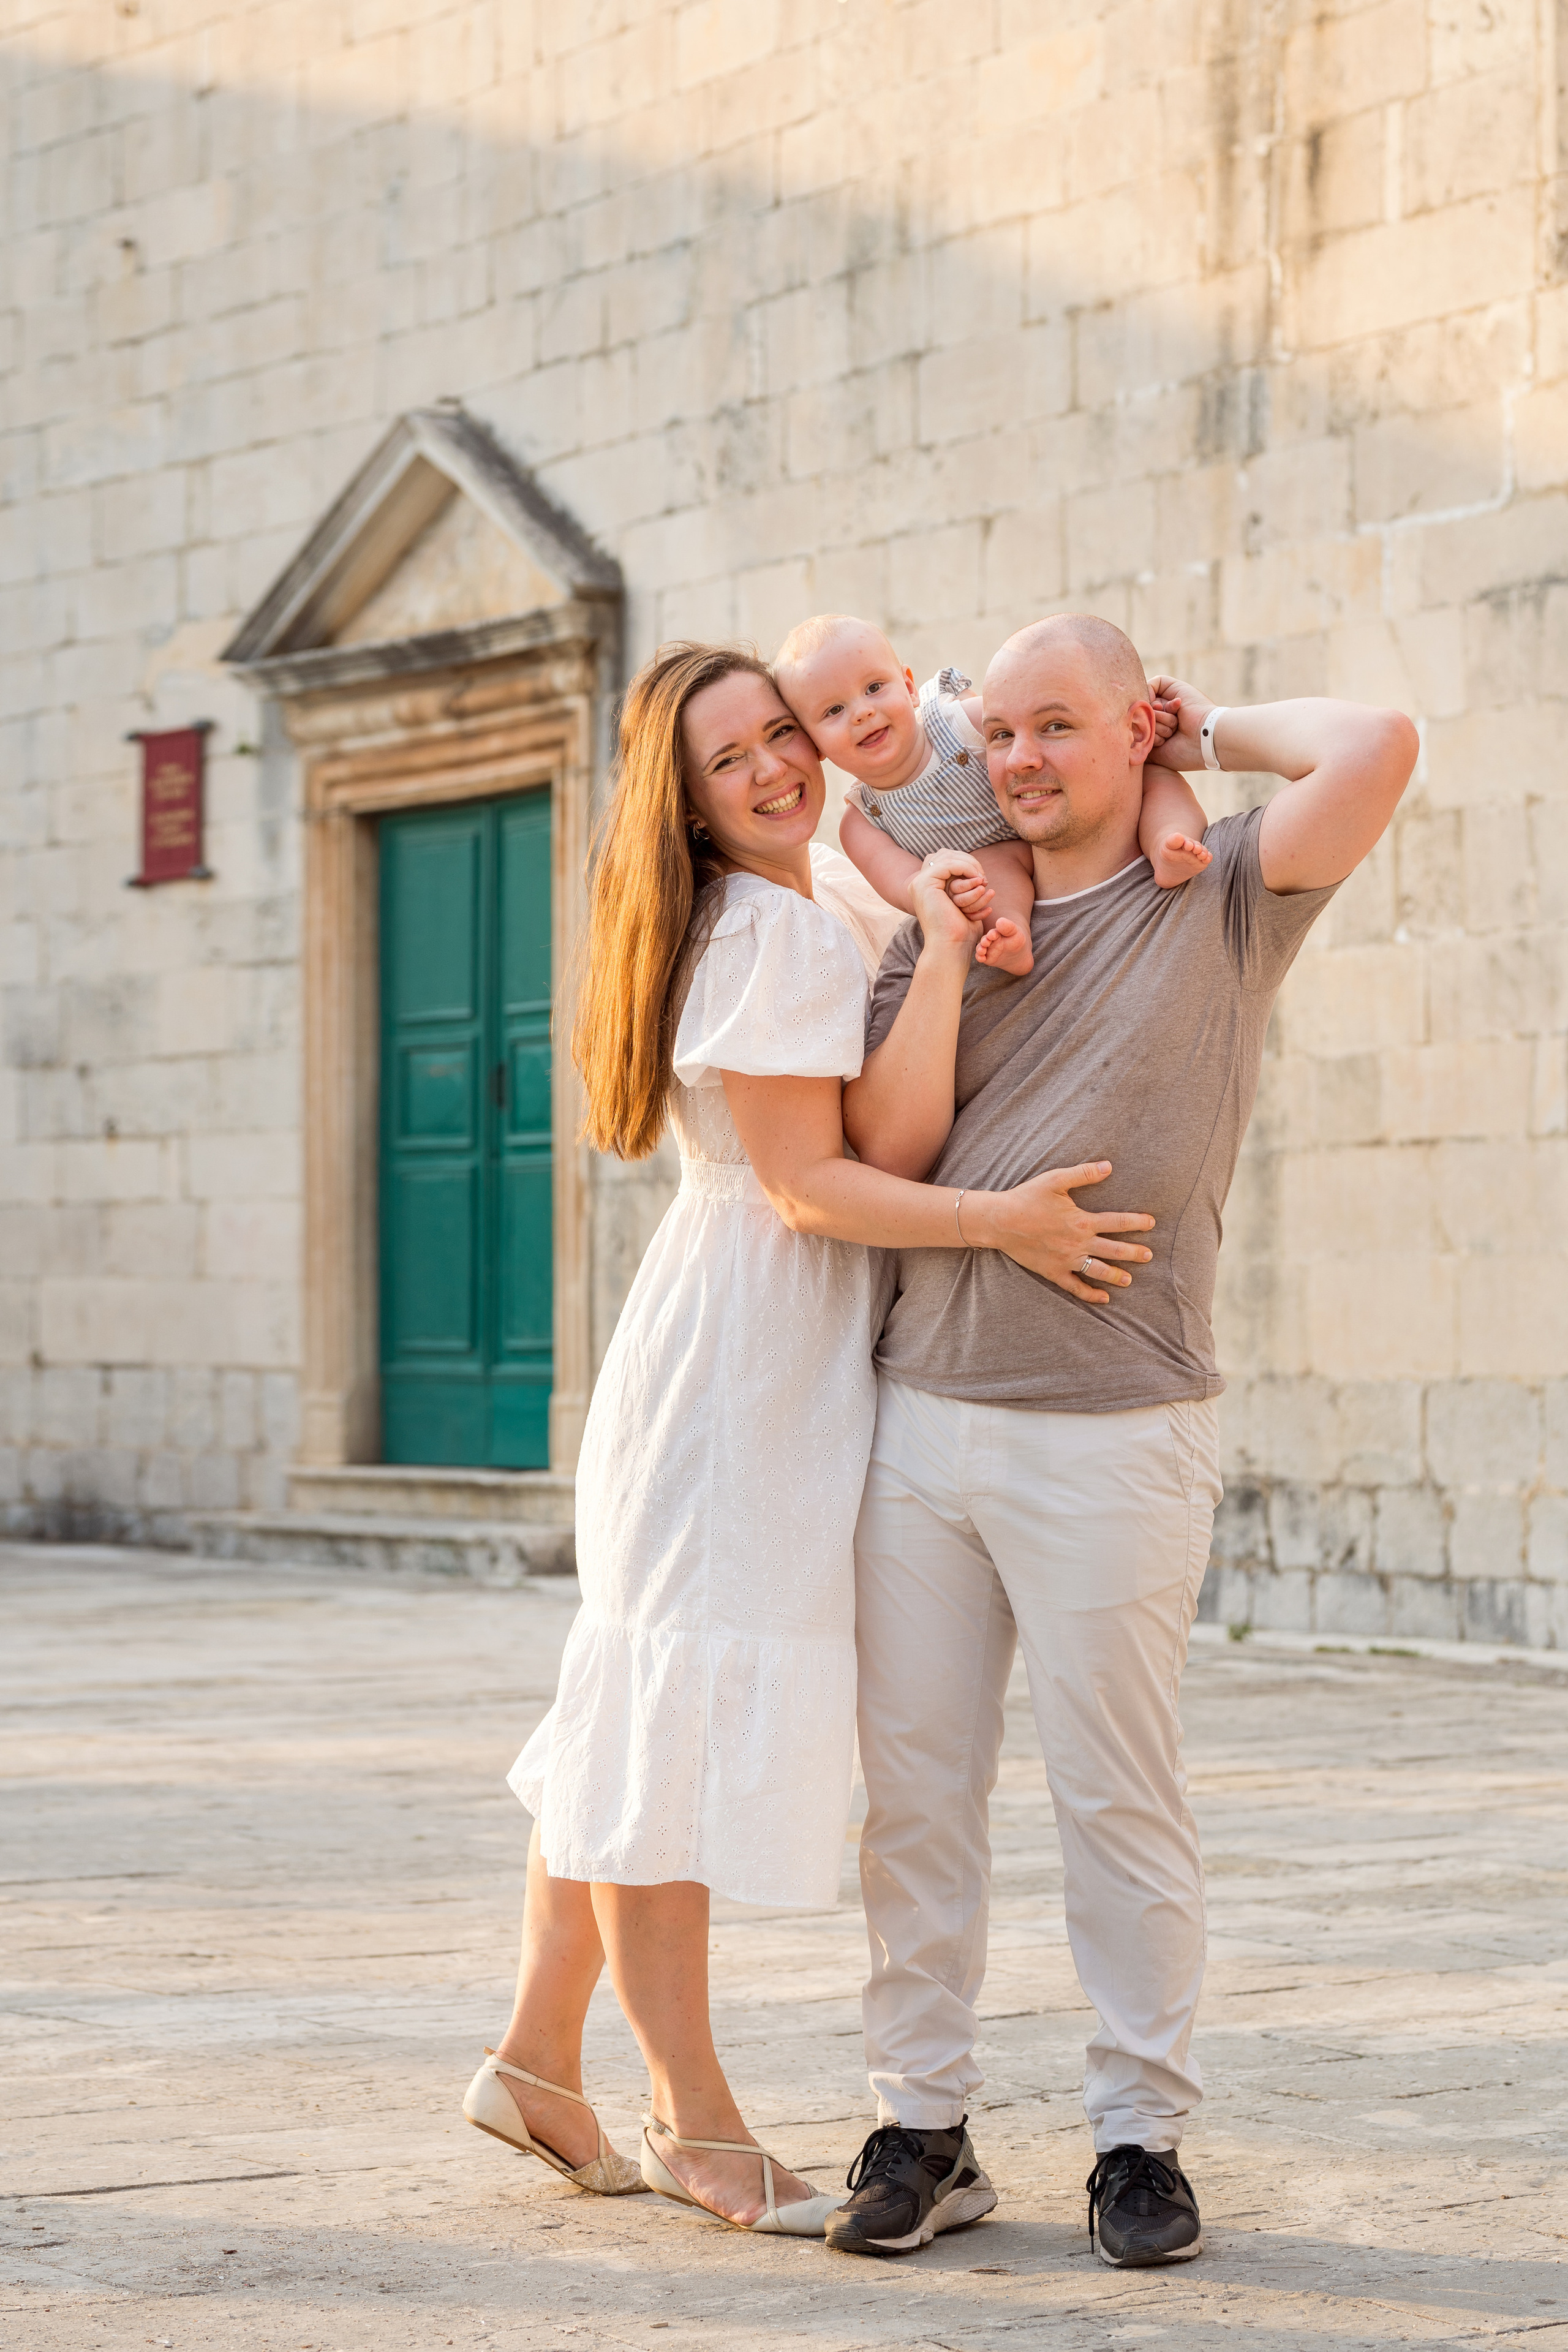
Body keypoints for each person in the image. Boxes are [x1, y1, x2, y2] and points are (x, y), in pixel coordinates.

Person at [461, 640, 1161, 2237]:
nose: (779, 766)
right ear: (690, 807)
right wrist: (1005, 1226)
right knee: (668, 1742)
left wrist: (937, 910)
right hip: (743, 1365)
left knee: (641, 1719)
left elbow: (874, 1125)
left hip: (738, 1344)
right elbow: (812, 1185)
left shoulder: (784, 908)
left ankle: (533, 2060)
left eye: (784, 732)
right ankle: (691, 2123)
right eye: (735, 760)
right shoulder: (770, 925)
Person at [824, 615, 1419, 2266]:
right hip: (921, 1416)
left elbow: (1375, 745)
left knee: (1118, 1796)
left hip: (1119, 1428)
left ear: (1129, 726)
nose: (1016, 758)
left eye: (1058, 726)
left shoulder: (1221, 894)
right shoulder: (941, 911)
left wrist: (1204, 728)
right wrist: (943, 953)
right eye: (996, 731)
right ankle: (921, 2124)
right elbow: (891, 1140)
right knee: (916, 1796)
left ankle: (1139, 2138)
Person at [774, 612, 1213, 979]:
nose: (863, 712)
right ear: (813, 746)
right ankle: (1013, 937)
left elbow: (1047, 723)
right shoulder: (862, 820)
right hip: (1000, 865)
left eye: (874, 688)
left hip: (1070, 825)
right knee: (995, 872)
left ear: (909, 687)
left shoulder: (960, 722)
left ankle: (1168, 843)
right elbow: (907, 884)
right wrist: (947, 891)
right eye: (834, 711)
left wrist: (1141, 716)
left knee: (1156, 778)